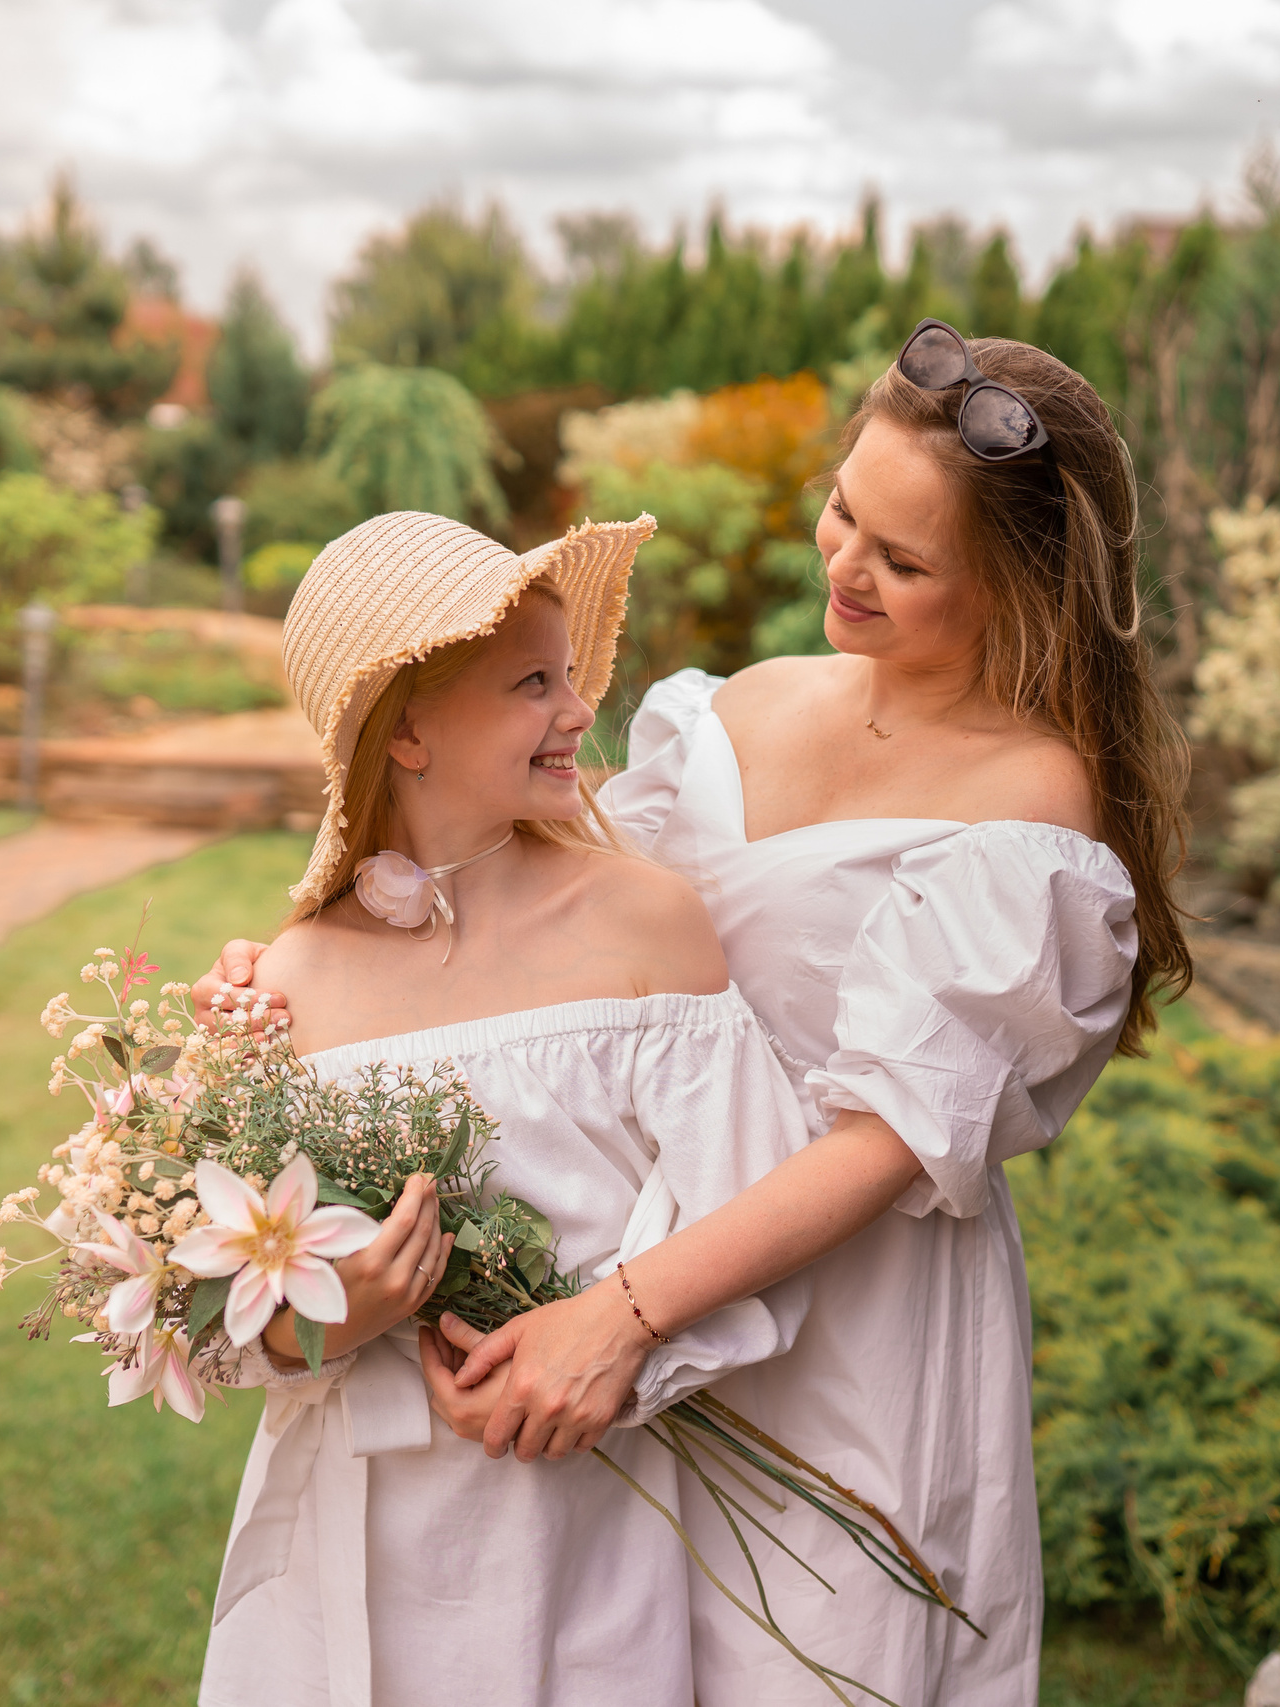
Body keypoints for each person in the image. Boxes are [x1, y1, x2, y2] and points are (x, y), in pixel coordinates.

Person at [206, 324, 1192, 1704]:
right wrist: (305, 964)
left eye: (905, 562)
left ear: (1016, 585)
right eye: (845, 510)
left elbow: (888, 1139)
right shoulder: (747, 703)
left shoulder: (1030, 801)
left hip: (853, 1325)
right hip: (641, 1257)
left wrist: (618, 1317)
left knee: (821, 1658)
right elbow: (528, 895)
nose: (845, 566)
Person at [195, 509, 817, 1707]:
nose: (579, 712)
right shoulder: (291, 981)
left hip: (579, 1512)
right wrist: (330, 1317)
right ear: (408, 730)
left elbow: (745, 1211)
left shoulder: (644, 924)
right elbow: (243, 1322)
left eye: (572, 676)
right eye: (533, 683)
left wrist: (615, 1354)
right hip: (352, 1542)